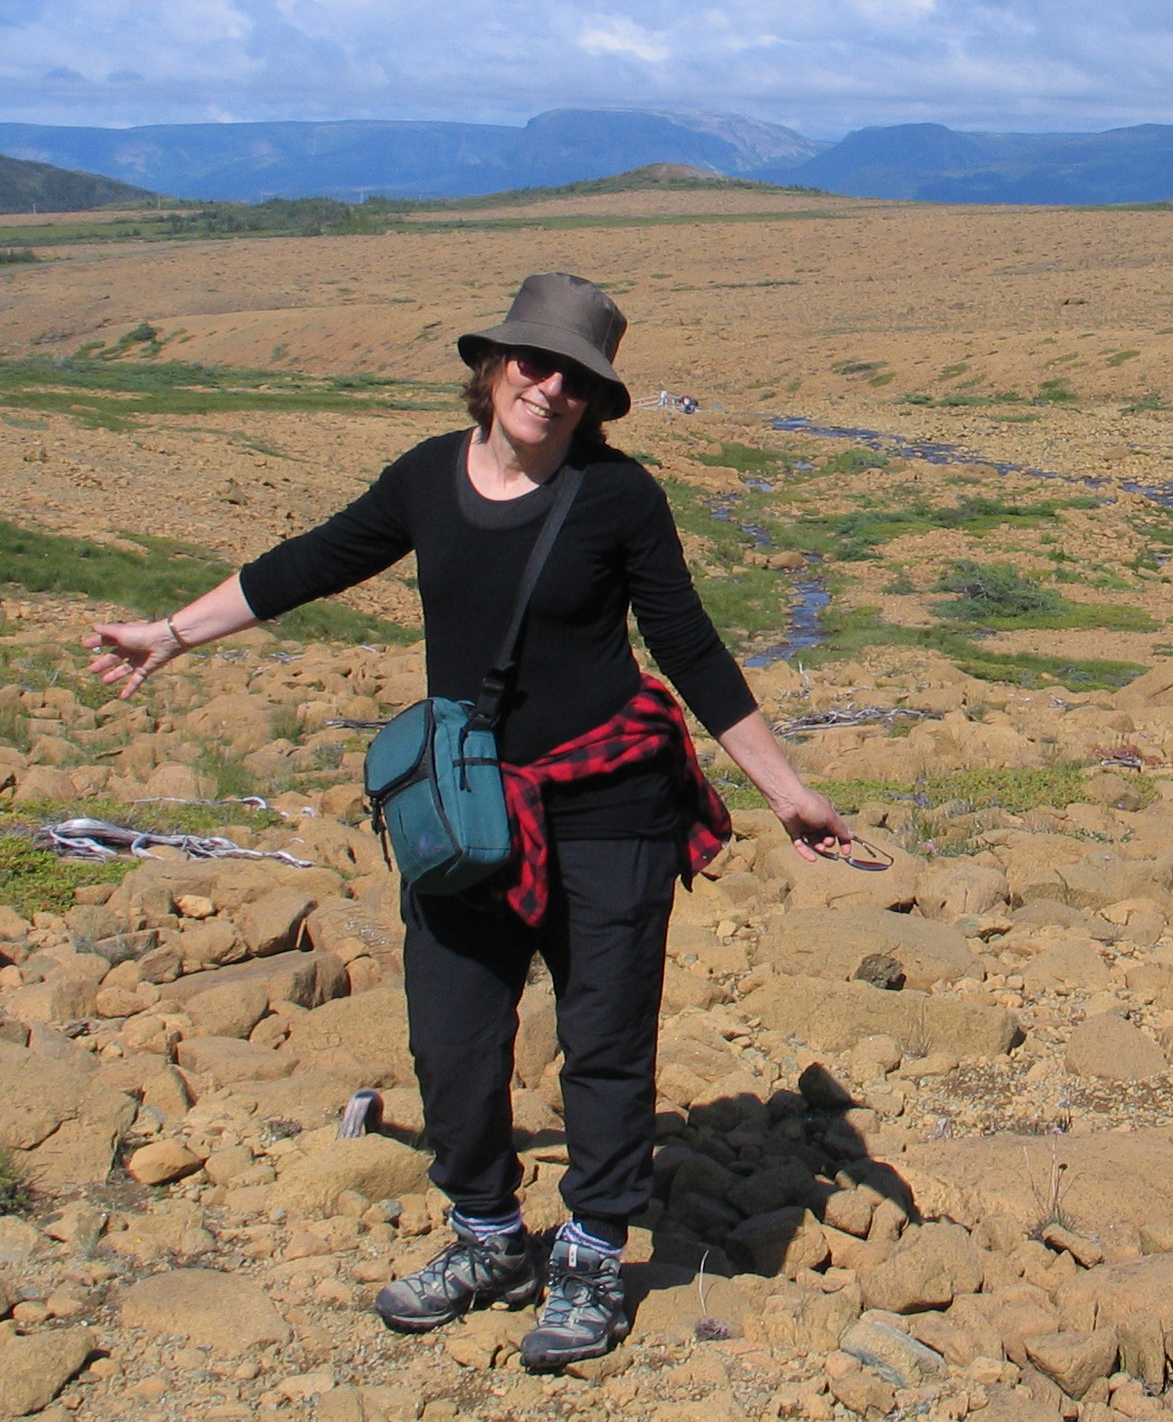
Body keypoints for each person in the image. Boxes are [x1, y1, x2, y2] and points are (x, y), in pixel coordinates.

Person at [84, 272, 851, 1371]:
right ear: (489, 370)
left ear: (595, 400)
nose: (550, 387)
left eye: (576, 379)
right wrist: (171, 633)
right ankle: (488, 1235)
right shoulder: (424, 481)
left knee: (603, 1041)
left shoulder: (619, 499)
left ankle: (591, 1251)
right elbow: (312, 561)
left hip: (613, 807)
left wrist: (786, 791)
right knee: (450, 1039)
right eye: (533, 363)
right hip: (474, 808)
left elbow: (688, 647)